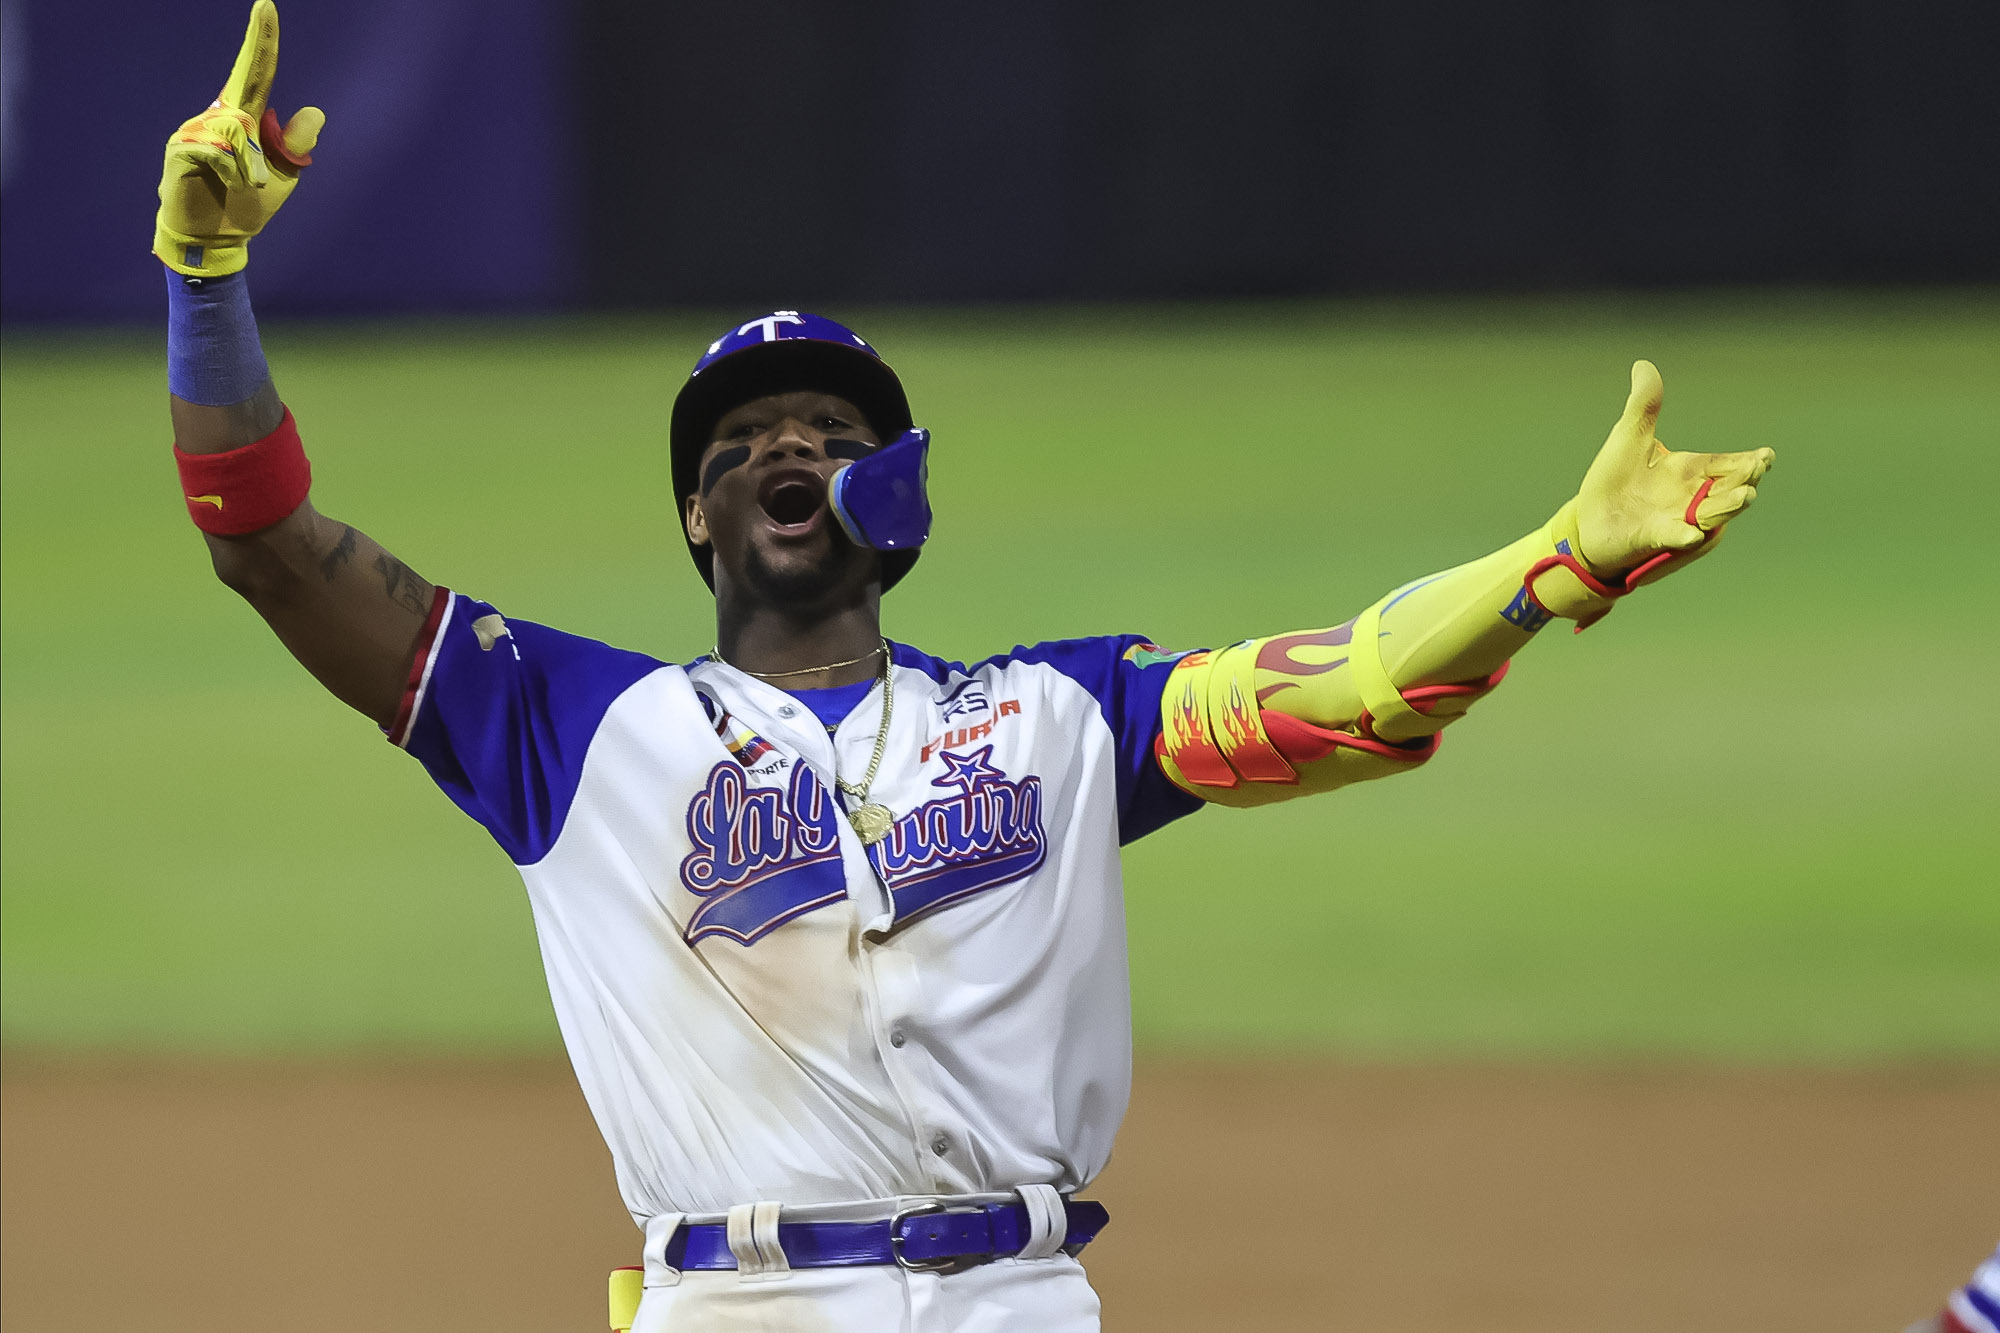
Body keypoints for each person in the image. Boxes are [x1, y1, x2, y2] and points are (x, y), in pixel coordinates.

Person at [156, 7, 1776, 1330]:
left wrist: (1549, 565)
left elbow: (1351, 689)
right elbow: (267, 543)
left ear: (898, 500)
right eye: (742, 446)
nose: (786, 447)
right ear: (700, 522)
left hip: (1020, 1298)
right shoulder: (575, 726)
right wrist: (207, 288)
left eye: (831, 433)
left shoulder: (1058, 717)